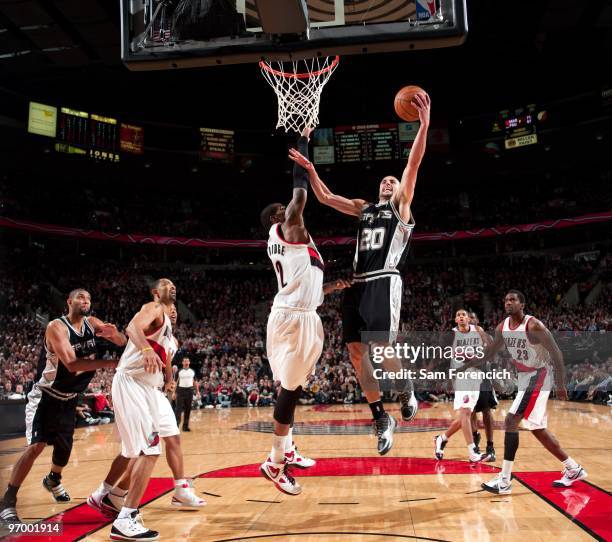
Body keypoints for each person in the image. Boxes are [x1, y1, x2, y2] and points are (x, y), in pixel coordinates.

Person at [289, 93, 431, 455]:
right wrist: (309, 167)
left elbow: (412, 167)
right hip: (356, 283)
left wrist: (424, 126)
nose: (388, 183)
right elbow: (323, 196)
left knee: (382, 349)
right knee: (356, 352)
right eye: (384, 181)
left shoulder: (400, 210)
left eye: (392, 181)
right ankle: (381, 417)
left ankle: (406, 389)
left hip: (384, 279)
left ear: (400, 191)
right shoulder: (364, 209)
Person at [259, 127, 350, 495]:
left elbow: (300, 283)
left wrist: (330, 287)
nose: (290, 207)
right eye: (283, 210)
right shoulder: (290, 226)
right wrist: (303, 145)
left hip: (300, 313)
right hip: (294, 319)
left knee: (293, 386)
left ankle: (289, 446)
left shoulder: (293, 243)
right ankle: (275, 461)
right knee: (290, 391)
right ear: (275, 220)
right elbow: (300, 192)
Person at [0, 289, 125, 524]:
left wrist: (115, 335)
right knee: (36, 446)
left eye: (88, 298)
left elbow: (121, 341)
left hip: (69, 397)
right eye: (80, 298)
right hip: (45, 396)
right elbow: (71, 364)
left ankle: (53, 480)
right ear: (69, 302)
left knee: (64, 451)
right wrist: (111, 362)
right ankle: (8, 500)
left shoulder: (93, 323)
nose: (85, 301)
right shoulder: (56, 327)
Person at [87, 302, 205, 520]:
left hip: (155, 391)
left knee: (171, 439)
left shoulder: (172, 340)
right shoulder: (151, 318)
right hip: (136, 385)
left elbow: (167, 362)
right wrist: (118, 337)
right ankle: (106, 494)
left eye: (176, 308)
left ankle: (180, 488)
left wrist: (170, 380)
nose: (174, 311)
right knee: (137, 450)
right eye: (170, 307)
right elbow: (131, 334)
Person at [481, 290, 588, 495]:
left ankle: (504, 481)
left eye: (513, 300)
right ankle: (573, 469)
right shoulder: (502, 327)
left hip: (539, 375)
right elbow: (492, 351)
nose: (508, 303)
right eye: (506, 300)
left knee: (511, 421)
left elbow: (556, 353)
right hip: (524, 377)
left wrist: (560, 384)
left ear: (522, 304)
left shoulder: (534, 325)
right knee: (537, 428)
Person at [108, 278, 177, 541]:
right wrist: (146, 349)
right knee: (150, 449)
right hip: (132, 383)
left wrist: (168, 380)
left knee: (138, 451)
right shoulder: (153, 307)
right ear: (155, 292)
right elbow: (132, 327)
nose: (171, 286)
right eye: (165, 284)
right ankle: (125, 519)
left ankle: (109, 496)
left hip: (146, 389)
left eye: (174, 285)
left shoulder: (168, 327)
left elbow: (165, 360)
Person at [433, 309, 491, 463]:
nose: (461, 317)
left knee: (465, 416)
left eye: (463, 315)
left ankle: (441, 438)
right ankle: (473, 452)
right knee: (465, 412)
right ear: (455, 320)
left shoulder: (478, 330)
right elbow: (443, 355)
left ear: (468, 319)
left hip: (476, 375)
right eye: (458, 315)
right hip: (461, 375)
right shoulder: (451, 334)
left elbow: (488, 348)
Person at [468, 311, 497, 461]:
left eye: (473, 317)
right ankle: (475, 443)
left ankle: (490, 447)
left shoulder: (485, 335)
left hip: (482, 374)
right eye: (468, 317)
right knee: (470, 411)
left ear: (478, 320)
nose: (470, 319)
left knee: (486, 411)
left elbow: (492, 354)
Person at [175, 357, 196, 431]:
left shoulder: (192, 371)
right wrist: (174, 393)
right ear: (182, 363)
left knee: (188, 409)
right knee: (178, 409)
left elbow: (194, 382)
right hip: (180, 391)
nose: (186, 362)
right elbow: (176, 382)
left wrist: (198, 392)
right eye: (185, 361)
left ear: (189, 362)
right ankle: (176, 426)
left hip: (189, 391)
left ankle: (185, 426)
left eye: (187, 361)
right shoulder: (179, 371)